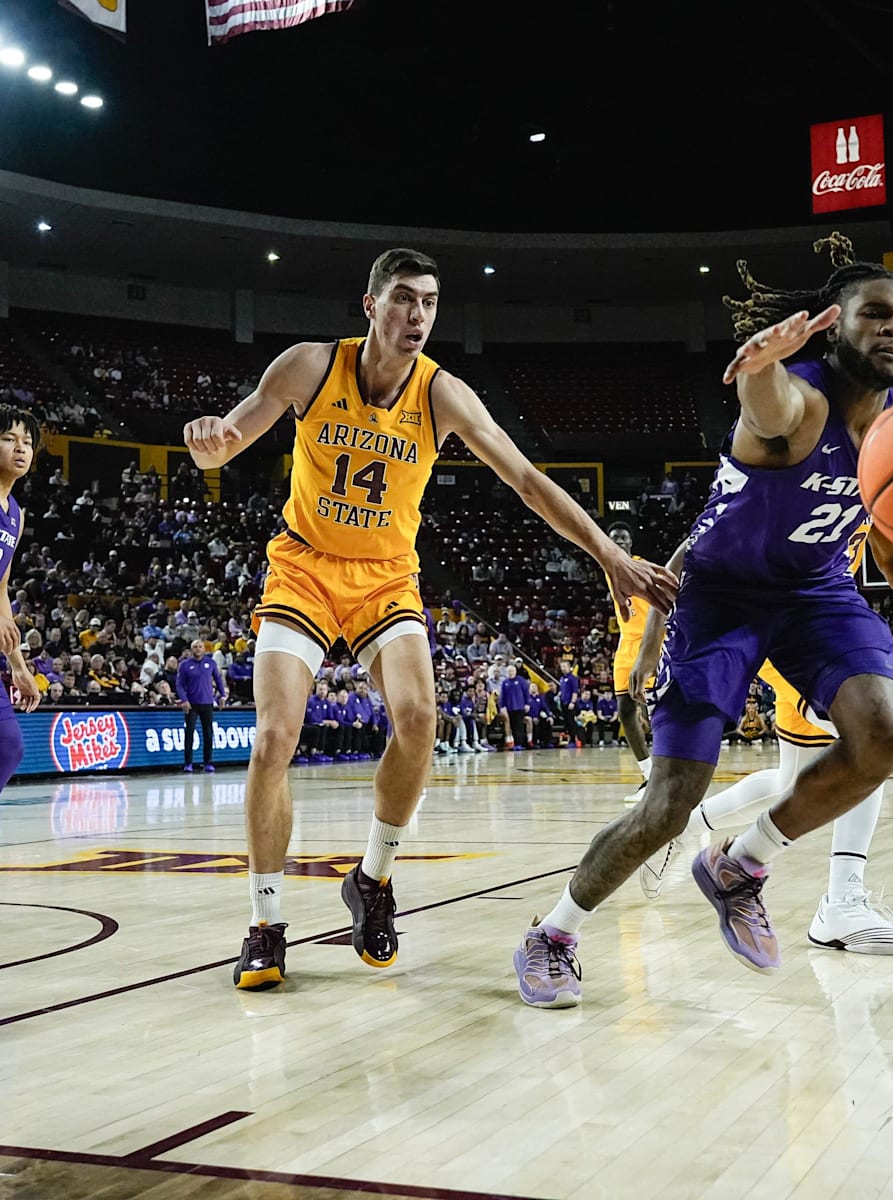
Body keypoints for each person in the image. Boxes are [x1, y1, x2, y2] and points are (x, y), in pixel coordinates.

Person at [184, 247, 676, 990]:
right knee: (275, 737)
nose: (418, 316)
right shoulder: (310, 366)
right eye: (405, 299)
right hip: (305, 567)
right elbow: (228, 443)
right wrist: (209, 445)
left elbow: (526, 479)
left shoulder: (443, 394)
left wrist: (607, 551)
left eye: (430, 304)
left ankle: (373, 881)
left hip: (387, 577)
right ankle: (264, 923)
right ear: (371, 305)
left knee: (420, 719)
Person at [513, 233, 893, 1006]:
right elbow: (766, 402)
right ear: (835, 323)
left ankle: (740, 864)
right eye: (875, 315)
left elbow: (891, 548)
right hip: (723, 598)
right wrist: (760, 361)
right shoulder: (798, 398)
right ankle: (553, 931)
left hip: (817, 594)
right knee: (669, 805)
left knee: (888, 733)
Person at [633, 520, 893, 953]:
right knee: (870, 741)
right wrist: (652, 638)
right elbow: (691, 546)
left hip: (818, 626)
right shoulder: (794, 467)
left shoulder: (871, 480)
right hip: (778, 632)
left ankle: (687, 825)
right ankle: (841, 901)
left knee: (792, 782)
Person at [0, 406, 42, 791]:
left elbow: (1, 586)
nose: (20, 448)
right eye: (9, 438)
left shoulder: (15, 514)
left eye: (27, 442)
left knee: (8, 747)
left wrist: (18, 666)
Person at [605, 523, 655, 803]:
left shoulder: (641, 567)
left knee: (652, 711)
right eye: (614, 539)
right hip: (626, 645)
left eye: (623, 538)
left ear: (631, 542)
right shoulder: (609, 566)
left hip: (647, 644)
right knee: (625, 711)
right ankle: (648, 775)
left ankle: (665, 774)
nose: (619, 542)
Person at [177, 637, 226, 773]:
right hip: (191, 704)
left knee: (208, 734)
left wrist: (222, 695)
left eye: (200, 647)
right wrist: (184, 700)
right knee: (189, 733)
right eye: (195, 647)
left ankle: (208, 762)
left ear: (204, 649)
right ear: (191, 650)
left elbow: (218, 679)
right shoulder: (185, 665)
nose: (197, 649)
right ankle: (188, 763)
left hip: (207, 703)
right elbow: (179, 685)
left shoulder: (210, 663)